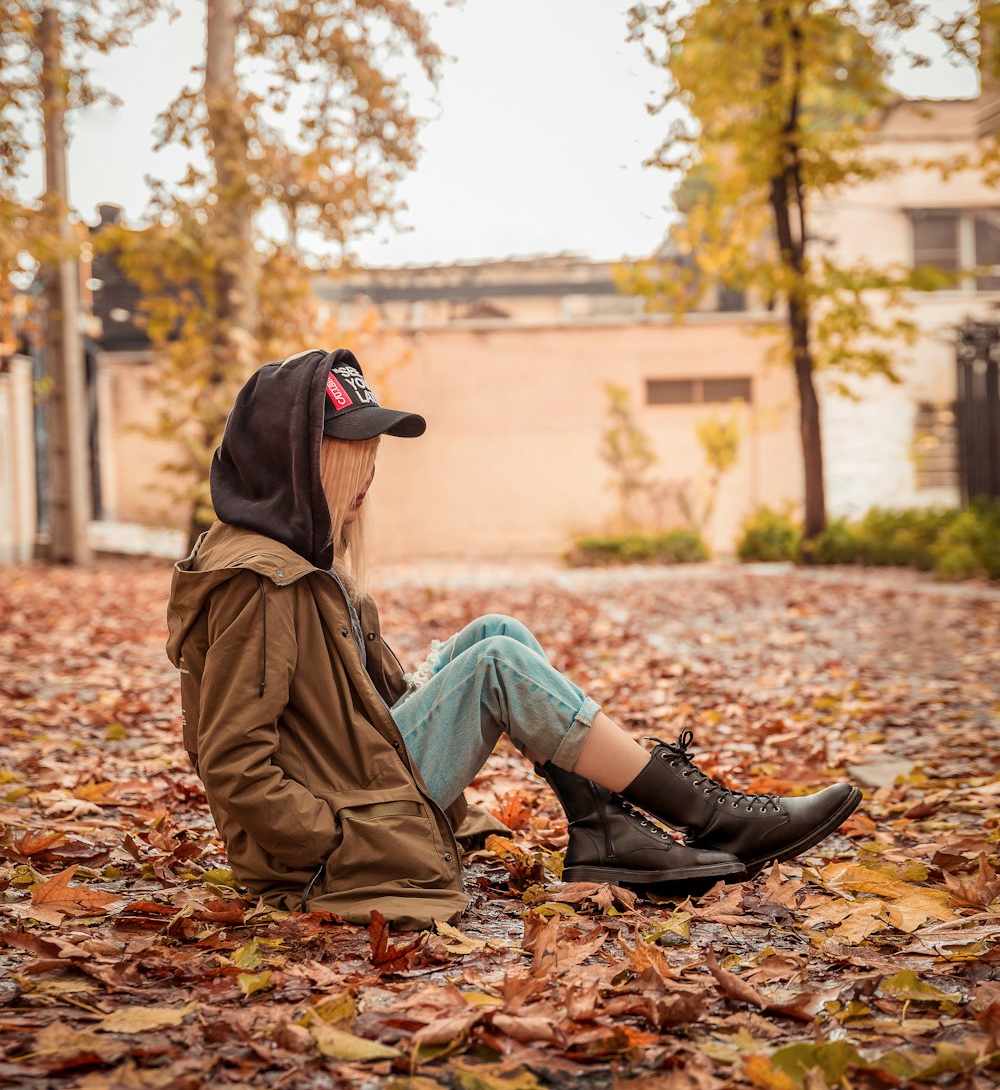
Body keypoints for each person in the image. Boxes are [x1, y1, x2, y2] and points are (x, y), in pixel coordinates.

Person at [166, 348, 862, 931]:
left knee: (498, 633)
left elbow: (356, 708)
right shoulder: (259, 582)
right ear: (295, 462)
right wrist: (339, 843)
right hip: (354, 815)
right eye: (355, 455)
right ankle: (713, 816)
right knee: (498, 664)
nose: (370, 478)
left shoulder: (296, 560)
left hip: (363, 777)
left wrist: (458, 812)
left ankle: (607, 830)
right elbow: (231, 760)